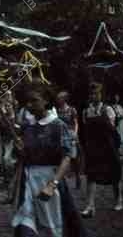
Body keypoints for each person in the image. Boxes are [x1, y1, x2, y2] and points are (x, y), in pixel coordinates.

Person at [11, 85, 88, 237]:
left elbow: (67, 157)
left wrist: (53, 185)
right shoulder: (27, 127)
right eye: (27, 101)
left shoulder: (57, 125)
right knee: (26, 227)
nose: (29, 105)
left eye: (34, 101)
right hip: (28, 183)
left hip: (50, 179)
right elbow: (23, 158)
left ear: (46, 101)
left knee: (53, 227)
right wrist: (19, 150)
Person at [81, 82, 123, 217]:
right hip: (93, 147)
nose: (94, 96)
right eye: (92, 93)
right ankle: (90, 205)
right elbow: (86, 131)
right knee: (91, 175)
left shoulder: (108, 109)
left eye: (96, 93)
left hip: (108, 146)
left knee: (114, 173)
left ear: (101, 94)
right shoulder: (86, 111)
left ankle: (118, 199)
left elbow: (113, 129)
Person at [55, 91, 81, 190]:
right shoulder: (57, 111)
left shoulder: (71, 110)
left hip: (70, 134)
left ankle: (78, 176)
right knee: (63, 157)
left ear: (65, 99)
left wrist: (75, 134)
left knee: (74, 158)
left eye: (60, 98)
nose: (58, 100)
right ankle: (63, 180)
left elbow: (76, 123)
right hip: (61, 135)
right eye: (58, 98)